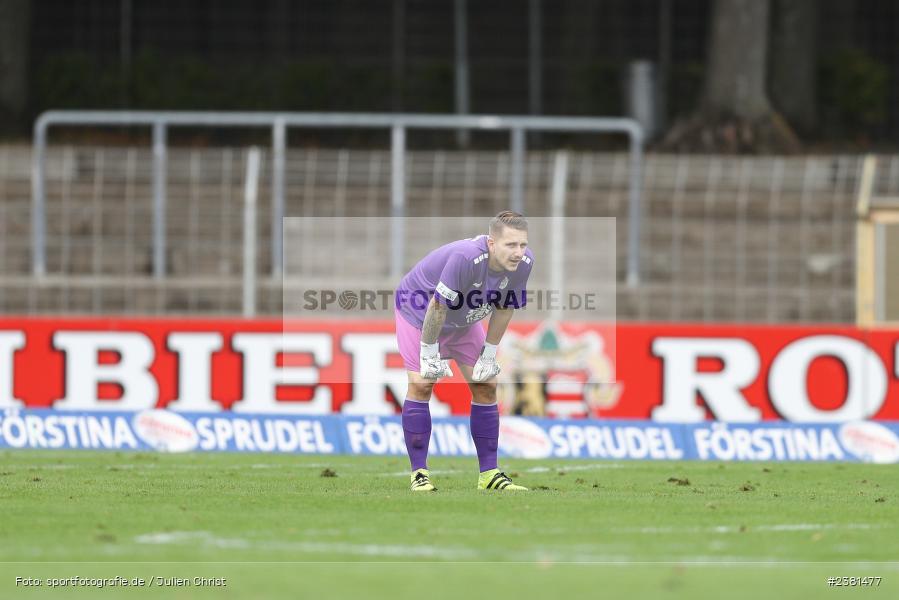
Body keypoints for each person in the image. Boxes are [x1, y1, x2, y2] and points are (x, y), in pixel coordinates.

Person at [394, 210, 534, 492]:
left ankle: (489, 475)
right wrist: (429, 352)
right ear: (492, 243)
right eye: (511, 245)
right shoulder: (466, 257)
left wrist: (489, 354)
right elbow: (437, 306)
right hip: (419, 312)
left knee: (486, 385)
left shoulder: (524, 263)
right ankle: (419, 474)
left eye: (522, 244)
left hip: (462, 317)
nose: (518, 252)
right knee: (421, 384)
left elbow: (505, 306)